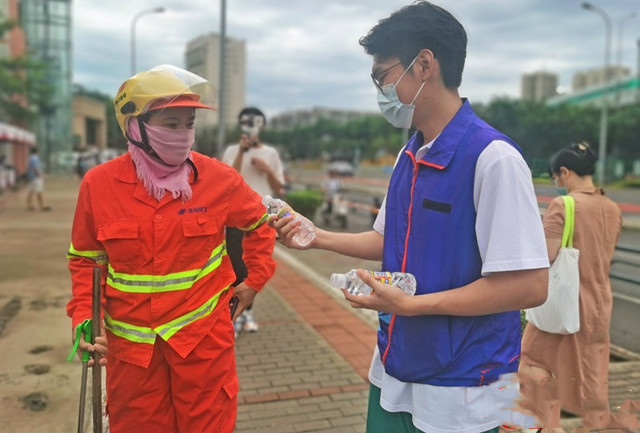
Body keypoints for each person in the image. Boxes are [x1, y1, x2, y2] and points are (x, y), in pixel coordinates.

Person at [270, 3, 550, 432]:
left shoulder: (493, 159)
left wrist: (413, 305)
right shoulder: (410, 154)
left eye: (382, 75)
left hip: (461, 388)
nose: (379, 89)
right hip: (394, 365)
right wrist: (315, 236)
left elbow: (529, 285)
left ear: (423, 65)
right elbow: (389, 239)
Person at [66, 65, 276, 433]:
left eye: (188, 124)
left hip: (202, 342)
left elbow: (260, 225)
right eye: (170, 124)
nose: (183, 135)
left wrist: (255, 279)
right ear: (135, 127)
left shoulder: (218, 179)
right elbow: (86, 261)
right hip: (131, 353)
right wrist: (85, 319)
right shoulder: (99, 185)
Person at [518, 142, 630, 432]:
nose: (557, 183)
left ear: (565, 173)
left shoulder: (564, 205)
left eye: (556, 177)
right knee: (590, 371)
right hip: (599, 303)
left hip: (564, 303)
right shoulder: (612, 208)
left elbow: (547, 255)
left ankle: (544, 425)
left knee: (534, 360)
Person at [222, 107, 285, 336]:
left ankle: (246, 312)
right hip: (236, 219)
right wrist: (241, 151)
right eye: (245, 122)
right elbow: (227, 179)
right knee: (236, 266)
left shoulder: (270, 153)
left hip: (263, 219)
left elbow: (278, 187)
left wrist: (267, 169)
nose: (249, 126)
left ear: (260, 125)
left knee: (255, 269)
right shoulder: (232, 150)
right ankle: (234, 312)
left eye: (253, 122)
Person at [26, 146, 51, 211]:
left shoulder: (30, 158)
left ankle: (29, 205)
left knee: (31, 190)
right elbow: (36, 168)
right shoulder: (35, 158)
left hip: (31, 177)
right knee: (39, 191)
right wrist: (40, 175)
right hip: (36, 177)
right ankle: (42, 205)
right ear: (37, 151)